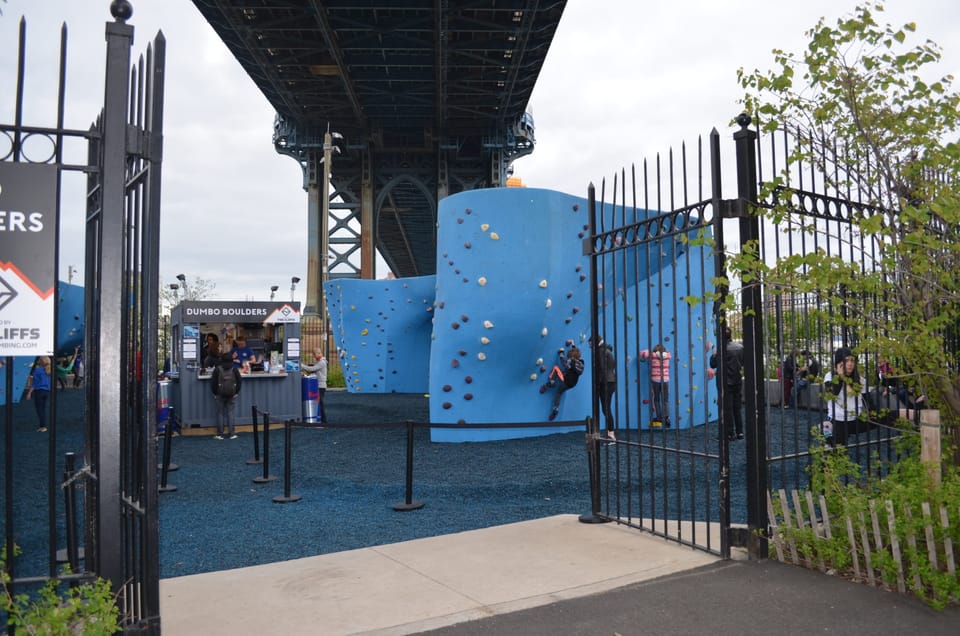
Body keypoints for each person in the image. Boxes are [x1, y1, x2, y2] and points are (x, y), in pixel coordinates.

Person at [822, 346, 870, 446]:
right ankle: (825, 435)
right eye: (846, 360)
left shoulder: (860, 380)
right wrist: (840, 376)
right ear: (838, 362)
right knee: (832, 450)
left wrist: (873, 415)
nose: (850, 363)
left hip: (854, 419)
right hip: (835, 420)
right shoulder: (830, 376)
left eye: (852, 360)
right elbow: (832, 394)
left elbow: (868, 401)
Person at [709, 326, 745, 440]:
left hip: (725, 381)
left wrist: (714, 354)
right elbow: (743, 362)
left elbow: (713, 365)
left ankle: (730, 433)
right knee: (737, 407)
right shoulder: (740, 347)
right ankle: (740, 432)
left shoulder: (721, 349)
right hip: (737, 380)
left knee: (727, 407)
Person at [540, 345, 585, 421]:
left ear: (572, 357)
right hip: (571, 384)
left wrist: (561, 352)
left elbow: (563, 361)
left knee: (556, 368)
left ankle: (549, 384)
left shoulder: (571, 362)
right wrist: (573, 346)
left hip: (565, 381)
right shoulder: (581, 363)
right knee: (559, 393)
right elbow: (575, 357)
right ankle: (555, 410)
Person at [590, 336, 617, 439]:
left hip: (605, 382)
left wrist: (597, 382)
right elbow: (612, 366)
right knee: (606, 408)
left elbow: (601, 368)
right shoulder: (607, 350)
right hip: (611, 381)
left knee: (605, 409)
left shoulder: (601, 351)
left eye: (590, 343)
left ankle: (611, 434)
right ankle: (610, 432)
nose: (589, 346)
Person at [210, 352, 242, 440]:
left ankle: (219, 434)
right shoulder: (234, 369)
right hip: (232, 394)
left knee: (220, 413)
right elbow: (239, 381)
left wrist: (215, 393)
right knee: (230, 413)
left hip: (219, 394)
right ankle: (232, 434)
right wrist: (236, 392)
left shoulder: (217, 369)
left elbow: (213, 383)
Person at [639, 343, 672, 427]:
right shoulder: (668, 356)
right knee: (665, 400)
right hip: (665, 380)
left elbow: (642, 353)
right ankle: (667, 418)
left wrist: (649, 351)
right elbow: (669, 353)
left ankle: (659, 417)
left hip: (655, 380)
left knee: (656, 399)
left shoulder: (652, 355)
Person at [25, 356, 53, 432]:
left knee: (39, 410)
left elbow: (34, 384)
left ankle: (43, 426)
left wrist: (29, 393)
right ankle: (43, 425)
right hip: (46, 391)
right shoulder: (50, 370)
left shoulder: (37, 370)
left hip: (39, 392)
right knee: (43, 409)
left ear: (41, 362)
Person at [301, 348, 329, 424]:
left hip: (321, 385)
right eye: (315, 354)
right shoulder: (319, 362)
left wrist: (302, 365)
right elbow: (313, 370)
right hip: (319, 384)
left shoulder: (321, 362)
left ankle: (324, 421)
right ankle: (320, 419)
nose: (315, 355)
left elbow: (312, 369)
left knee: (320, 403)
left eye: (316, 354)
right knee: (319, 402)